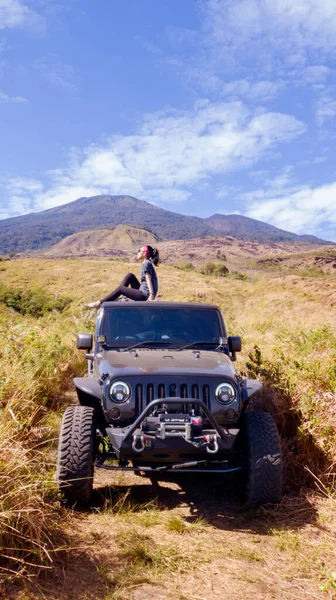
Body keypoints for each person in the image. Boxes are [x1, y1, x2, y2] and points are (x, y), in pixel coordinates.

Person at [85, 245, 160, 308]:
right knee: (130, 276)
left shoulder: (146, 263)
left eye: (139, 251)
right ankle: (119, 298)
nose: (138, 252)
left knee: (120, 289)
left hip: (144, 295)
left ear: (145, 254)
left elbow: (148, 279)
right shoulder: (146, 263)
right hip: (143, 291)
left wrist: (151, 295)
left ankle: (99, 303)